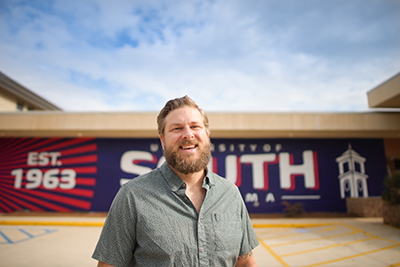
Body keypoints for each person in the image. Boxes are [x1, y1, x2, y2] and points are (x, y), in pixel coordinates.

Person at [92, 96, 259, 267]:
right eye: (177, 128)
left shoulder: (230, 194)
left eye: (195, 126)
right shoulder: (132, 196)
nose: (188, 134)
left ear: (206, 134)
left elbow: (246, 263)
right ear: (162, 140)